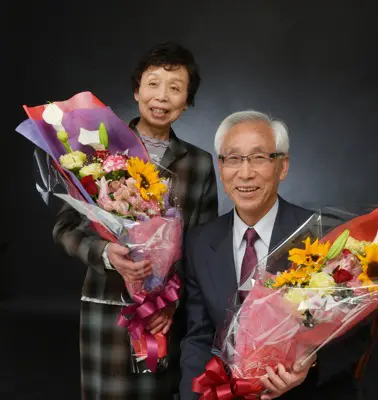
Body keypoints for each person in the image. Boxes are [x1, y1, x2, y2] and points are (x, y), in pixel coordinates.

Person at [53, 42, 218, 399]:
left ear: (187, 101)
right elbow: (64, 228)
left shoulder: (199, 164)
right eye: (153, 83)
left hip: (163, 316)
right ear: (136, 90)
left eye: (175, 88)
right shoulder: (98, 152)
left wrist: (171, 300)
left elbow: (204, 246)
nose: (162, 96)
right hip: (106, 309)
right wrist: (105, 254)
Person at [179, 111, 371, 400]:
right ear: (221, 167)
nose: (245, 173)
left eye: (259, 158)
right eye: (234, 158)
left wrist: (310, 363)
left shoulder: (321, 235)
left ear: (283, 167)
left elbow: (358, 329)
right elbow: (199, 337)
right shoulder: (200, 242)